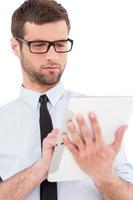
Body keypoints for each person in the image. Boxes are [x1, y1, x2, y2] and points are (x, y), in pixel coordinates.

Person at [0, 0, 133, 199]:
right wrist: (41, 169)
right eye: (39, 45)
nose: (52, 55)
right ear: (15, 46)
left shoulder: (96, 115)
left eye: (60, 44)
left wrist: (103, 176)